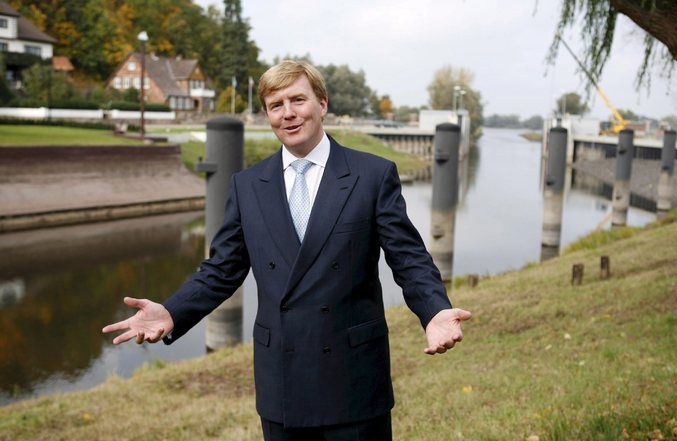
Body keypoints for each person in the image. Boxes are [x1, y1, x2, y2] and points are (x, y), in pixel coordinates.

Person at [102, 60, 471, 441]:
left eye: (298, 99)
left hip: (353, 378)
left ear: (322, 104)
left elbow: (408, 258)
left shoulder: (372, 175)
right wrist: (172, 310)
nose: (288, 113)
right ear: (267, 114)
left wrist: (435, 310)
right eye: (276, 105)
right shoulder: (248, 185)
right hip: (282, 379)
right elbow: (222, 270)